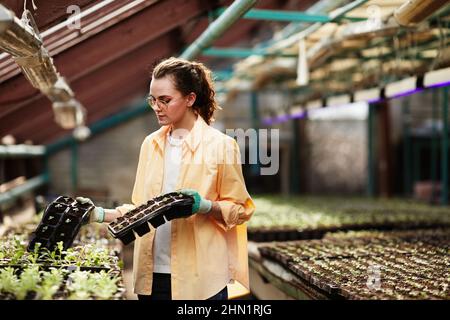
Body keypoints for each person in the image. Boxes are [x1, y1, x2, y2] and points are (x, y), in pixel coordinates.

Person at [77, 57, 255, 300]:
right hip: (153, 278)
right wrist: (98, 214)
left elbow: (241, 210)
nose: (157, 107)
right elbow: (142, 208)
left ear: (190, 99)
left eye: (165, 100)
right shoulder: (151, 144)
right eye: (153, 100)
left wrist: (204, 206)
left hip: (201, 280)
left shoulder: (222, 146)